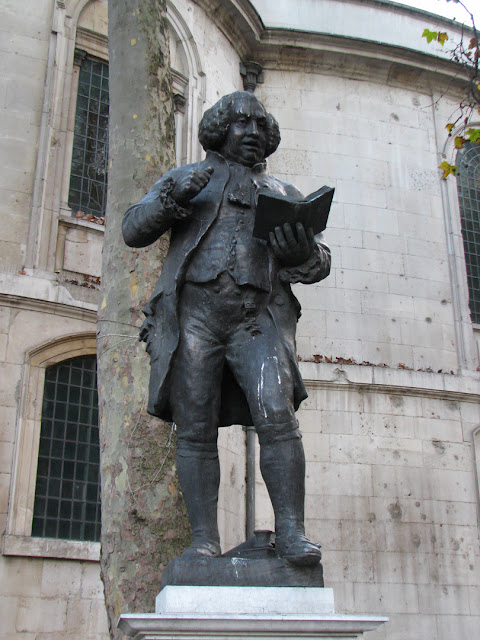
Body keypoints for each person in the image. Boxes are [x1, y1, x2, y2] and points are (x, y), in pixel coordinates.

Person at [123, 91, 331, 566]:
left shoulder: (283, 192)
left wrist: (301, 254)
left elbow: (320, 261)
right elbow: (133, 228)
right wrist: (173, 199)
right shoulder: (186, 179)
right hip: (195, 317)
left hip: (256, 318)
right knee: (194, 429)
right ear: (220, 129)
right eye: (241, 124)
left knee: (278, 419)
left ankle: (293, 534)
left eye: (261, 125)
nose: (253, 133)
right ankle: (203, 540)